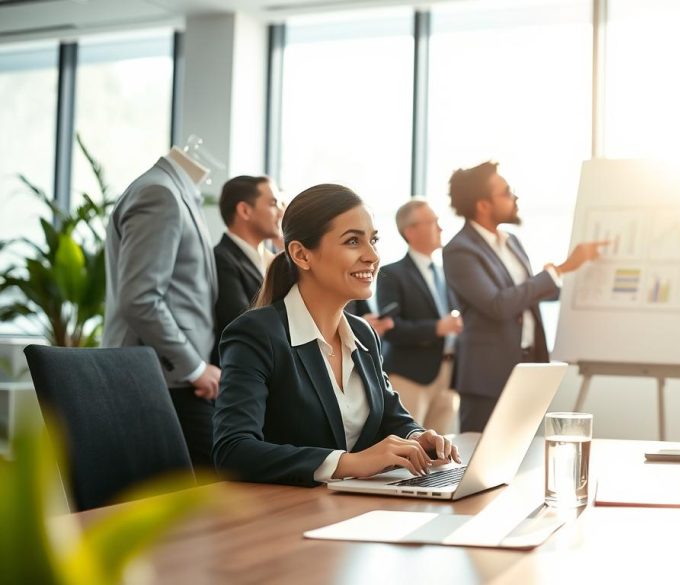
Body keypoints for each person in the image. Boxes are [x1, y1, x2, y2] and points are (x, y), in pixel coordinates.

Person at [212, 184, 459, 486]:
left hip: (350, 508)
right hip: (285, 514)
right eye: (353, 241)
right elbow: (233, 450)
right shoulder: (256, 334)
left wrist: (417, 437)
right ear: (302, 255)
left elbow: (389, 414)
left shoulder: (363, 333)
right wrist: (349, 462)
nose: (372, 256)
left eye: (374, 240)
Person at [442, 161, 605, 432]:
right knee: (479, 459)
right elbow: (498, 305)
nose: (515, 197)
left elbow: (526, 297)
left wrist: (583, 290)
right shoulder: (460, 250)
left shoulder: (512, 242)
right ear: (483, 205)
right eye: (507, 192)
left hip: (528, 367)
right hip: (488, 377)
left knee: (524, 455)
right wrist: (560, 270)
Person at [103, 146, 219, 468]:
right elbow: (140, 298)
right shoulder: (159, 193)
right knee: (209, 481)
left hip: (172, 376)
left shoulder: (177, 192)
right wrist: (195, 368)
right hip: (161, 376)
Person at [376, 198, 462, 434]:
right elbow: (391, 329)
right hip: (411, 376)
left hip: (448, 375)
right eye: (432, 222)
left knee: (442, 450)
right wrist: (437, 328)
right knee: (408, 447)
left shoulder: (445, 273)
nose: (440, 227)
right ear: (410, 231)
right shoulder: (391, 274)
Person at [212, 175, 284, 365]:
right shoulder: (221, 258)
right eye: (273, 204)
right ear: (244, 210)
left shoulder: (270, 259)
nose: (281, 212)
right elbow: (244, 323)